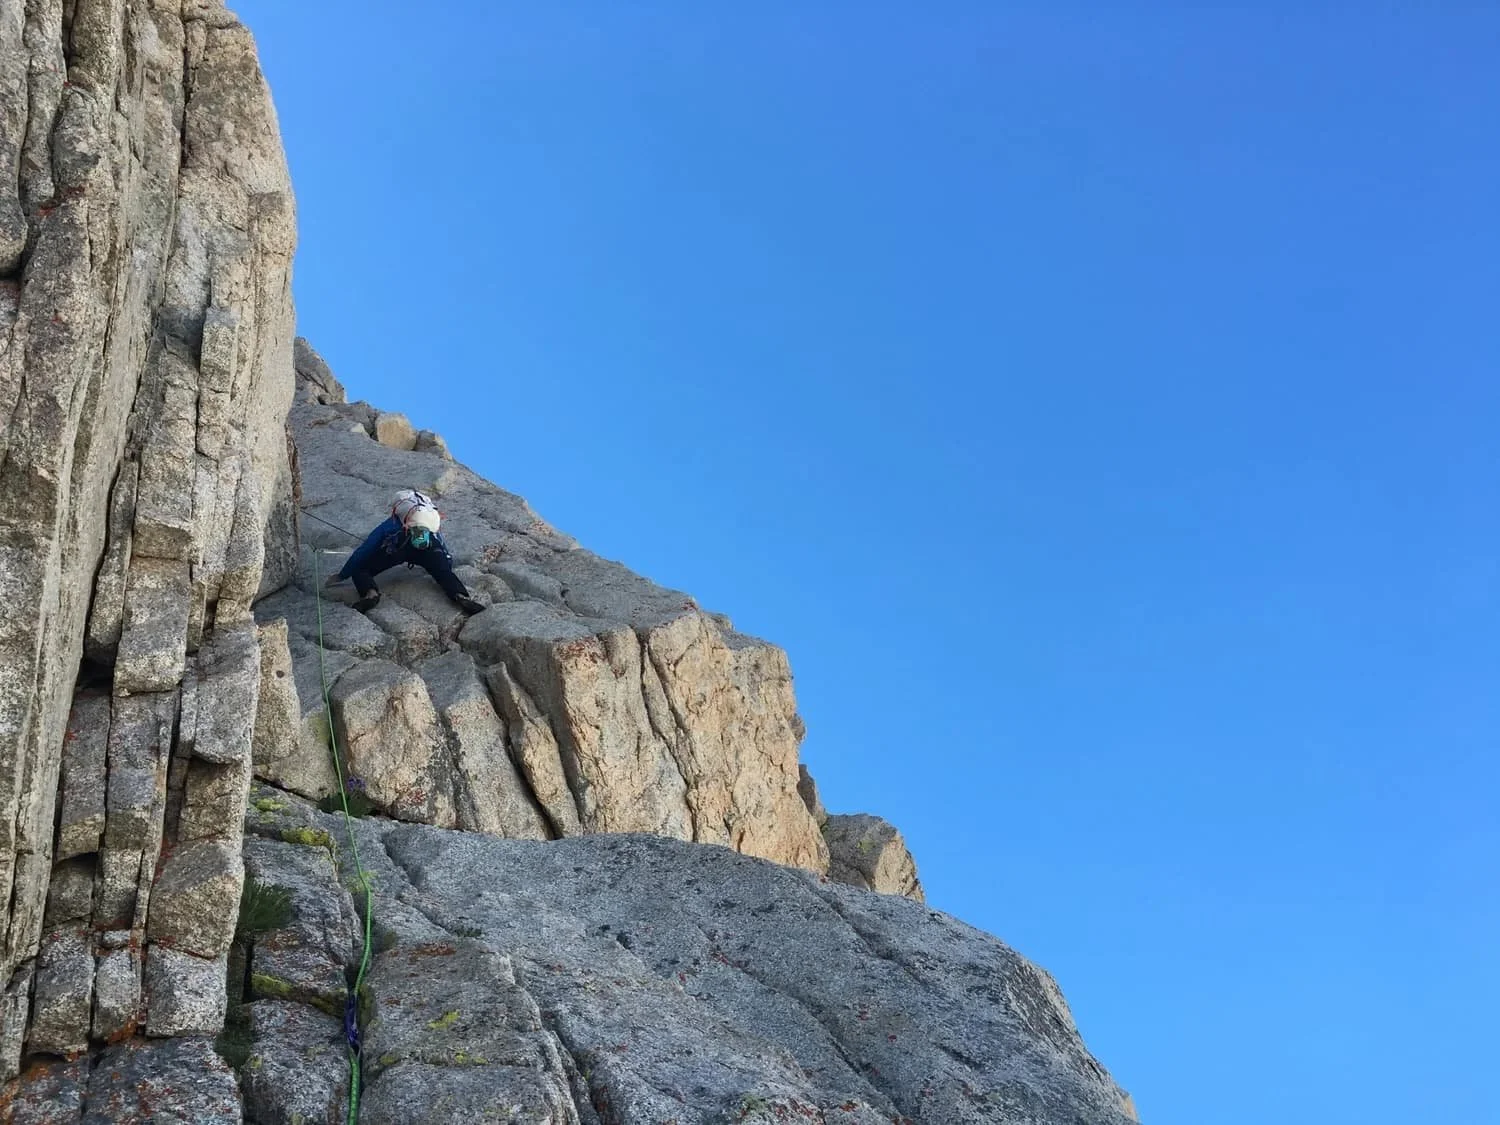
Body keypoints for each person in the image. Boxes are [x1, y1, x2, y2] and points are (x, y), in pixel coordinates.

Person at [324, 489, 485, 615]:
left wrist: (343, 574)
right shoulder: (430, 522)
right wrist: (445, 566)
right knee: (442, 573)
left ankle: (370, 594)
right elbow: (442, 549)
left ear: (398, 507)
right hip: (430, 548)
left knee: (361, 569)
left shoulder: (394, 521)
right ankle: (460, 596)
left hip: (401, 547)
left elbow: (366, 548)